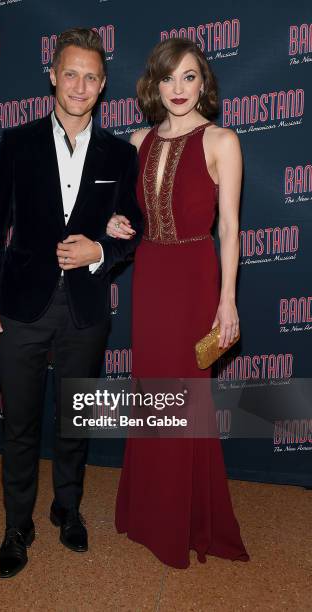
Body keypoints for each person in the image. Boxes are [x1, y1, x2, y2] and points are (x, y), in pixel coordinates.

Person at [0, 27, 143, 578]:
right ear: (53, 75)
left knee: (75, 419)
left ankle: (67, 508)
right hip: (21, 303)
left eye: (92, 77)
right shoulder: (17, 142)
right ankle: (16, 525)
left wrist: (101, 248)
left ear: (103, 85)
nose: (80, 85)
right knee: (19, 423)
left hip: (86, 309)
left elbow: (132, 226)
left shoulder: (120, 152)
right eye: (71, 73)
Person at [106, 38, 249, 568]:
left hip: (194, 277)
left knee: (187, 401)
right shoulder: (137, 139)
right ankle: (149, 514)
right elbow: (133, 217)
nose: (179, 89)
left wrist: (226, 301)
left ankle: (187, 522)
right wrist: (117, 223)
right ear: (154, 85)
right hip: (151, 277)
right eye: (169, 78)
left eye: (189, 77)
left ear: (203, 83)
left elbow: (231, 228)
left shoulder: (222, 141)